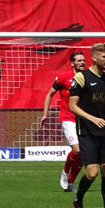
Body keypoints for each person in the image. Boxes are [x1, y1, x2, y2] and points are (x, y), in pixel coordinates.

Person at [69, 42, 105, 208]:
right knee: (92, 173)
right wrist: (92, 119)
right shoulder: (81, 77)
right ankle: (78, 201)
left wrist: (103, 122)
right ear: (94, 58)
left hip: (104, 131)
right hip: (86, 131)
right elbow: (72, 106)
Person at [39, 51, 87, 192]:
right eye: (79, 60)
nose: (82, 63)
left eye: (84, 60)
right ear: (72, 63)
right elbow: (49, 94)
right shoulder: (63, 78)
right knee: (77, 150)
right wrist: (45, 114)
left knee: (84, 154)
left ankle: (70, 183)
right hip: (68, 118)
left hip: (83, 120)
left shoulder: (88, 78)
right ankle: (65, 172)